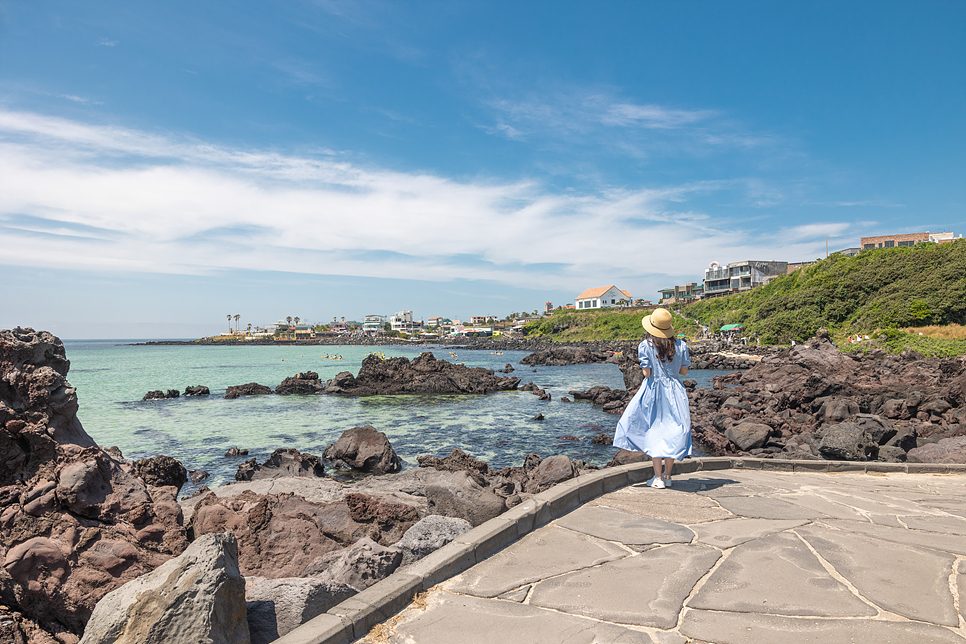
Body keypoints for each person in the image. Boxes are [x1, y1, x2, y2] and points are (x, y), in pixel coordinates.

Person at [613, 308, 691, 489]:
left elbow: (647, 373)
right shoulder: (681, 345)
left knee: (654, 430)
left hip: (654, 390)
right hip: (675, 390)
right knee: (672, 431)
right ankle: (668, 476)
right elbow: (684, 371)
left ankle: (658, 478)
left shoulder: (646, 345)